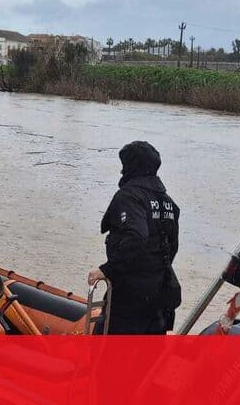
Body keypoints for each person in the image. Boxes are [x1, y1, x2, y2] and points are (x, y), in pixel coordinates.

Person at [87, 140, 181, 334]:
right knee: (148, 357)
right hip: (159, 295)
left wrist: (107, 270)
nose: (122, 172)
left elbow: (137, 237)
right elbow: (172, 247)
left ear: (132, 167)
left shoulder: (128, 197)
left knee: (109, 353)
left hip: (130, 297)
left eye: (124, 166)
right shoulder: (168, 203)